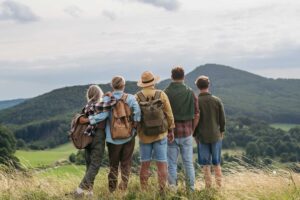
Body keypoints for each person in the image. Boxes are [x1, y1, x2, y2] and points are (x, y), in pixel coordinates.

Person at [89, 76, 141, 193]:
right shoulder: (131, 98)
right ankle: (124, 189)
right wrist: (135, 125)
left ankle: (112, 191)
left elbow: (103, 116)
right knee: (126, 164)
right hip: (129, 136)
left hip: (112, 139)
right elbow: (138, 112)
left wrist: (90, 119)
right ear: (124, 85)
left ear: (112, 86)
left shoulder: (107, 99)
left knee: (113, 165)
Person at [136, 71, 175, 193]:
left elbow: (134, 117)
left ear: (142, 83)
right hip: (160, 134)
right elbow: (169, 114)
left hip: (144, 135)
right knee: (162, 164)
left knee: (145, 164)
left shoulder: (137, 96)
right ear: (154, 82)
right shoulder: (161, 94)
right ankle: (162, 191)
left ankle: (144, 191)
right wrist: (171, 130)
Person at [74, 85, 116, 198]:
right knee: (95, 164)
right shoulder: (99, 104)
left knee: (89, 165)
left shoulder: (86, 106)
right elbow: (112, 103)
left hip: (87, 136)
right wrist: (111, 96)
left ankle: (89, 193)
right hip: (98, 135)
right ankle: (80, 189)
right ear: (99, 94)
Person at [164, 67, 199, 191]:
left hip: (171, 133)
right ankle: (191, 190)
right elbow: (197, 114)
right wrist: (193, 130)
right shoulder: (190, 92)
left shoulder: (166, 92)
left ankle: (172, 189)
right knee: (188, 163)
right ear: (183, 77)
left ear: (171, 76)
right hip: (187, 132)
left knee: (171, 164)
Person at [194, 76, 226, 189]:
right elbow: (222, 119)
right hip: (215, 136)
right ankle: (219, 188)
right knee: (217, 163)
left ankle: (208, 188)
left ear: (197, 87)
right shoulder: (216, 100)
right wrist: (221, 131)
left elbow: (194, 120)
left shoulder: (196, 101)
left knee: (205, 165)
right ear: (209, 85)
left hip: (201, 137)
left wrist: (194, 135)